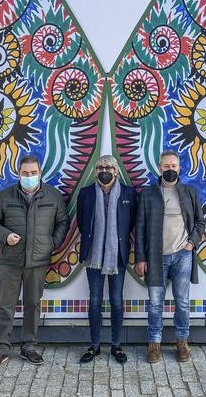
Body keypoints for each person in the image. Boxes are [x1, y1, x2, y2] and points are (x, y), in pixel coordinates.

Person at [0, 154, 69, 371]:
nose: (29, 177)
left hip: (38, 261)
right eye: (25, 173)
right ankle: (2, 349)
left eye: (33, 173)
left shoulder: (53, 196)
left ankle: (29, 346)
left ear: (40, 173)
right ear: (18, 174)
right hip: (10, 261)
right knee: (5, 306)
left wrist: (52, 243)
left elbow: (63, 222)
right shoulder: (5, 196)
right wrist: (5, 236)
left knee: (32, 305)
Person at [134, 150, 206, 363]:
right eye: (166, 166)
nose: (170, 170)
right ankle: (154, 343)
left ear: (179, 168)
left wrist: (191, 242)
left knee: (182, 302)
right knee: (155, 303)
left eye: (174, 166)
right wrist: (140, 258)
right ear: (160, 168)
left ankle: (182, 342)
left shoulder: (189, 193)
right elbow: (140, 228)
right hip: (156, 257)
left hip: (183, 256)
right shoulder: (148, 194)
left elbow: (200, 222)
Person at [77, 155, 137, 364]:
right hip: (93, 256)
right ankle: (94, 346)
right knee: (94, 301)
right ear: (95, 171)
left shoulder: (129, 194)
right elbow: (81, 222)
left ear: (116, 171)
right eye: (101, 167)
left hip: (117, 256)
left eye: (109, 167)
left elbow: (130, 224)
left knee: (116, 301)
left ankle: (116, 345)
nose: (105, 170)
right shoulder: (85, 194)